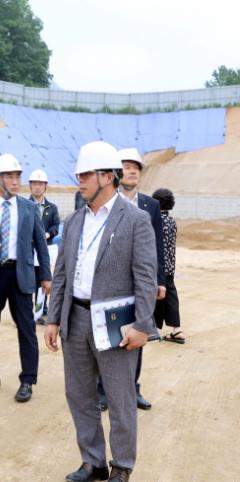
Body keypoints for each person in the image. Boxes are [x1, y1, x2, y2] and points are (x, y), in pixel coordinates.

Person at [45, 141, 158, 482]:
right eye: (78, 175)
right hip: (75, 318)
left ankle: (121, 467)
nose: (78, 180)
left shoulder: (135, 219)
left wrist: (142, 324)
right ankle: (92, 462)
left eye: (85, 175)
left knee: (120, 397)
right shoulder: (73, 221)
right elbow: (61, 274)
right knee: (79, 395)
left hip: (115, 324)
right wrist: (53, 318)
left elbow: (146, 277)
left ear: (107, 176)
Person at [0, 155, 51, 403]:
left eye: (18, 176)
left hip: (21, 275)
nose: (16, 181)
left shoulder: (29, 209)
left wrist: (46, 276)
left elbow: (41, 245)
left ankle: (28, 380)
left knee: (27, 329)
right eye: (10, 176)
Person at [97, 147, 165, 412]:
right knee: (106, 336)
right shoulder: (104, 202)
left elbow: (157, 246)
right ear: (116, 172)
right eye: (127, 167)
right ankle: (103, 390)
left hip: (139, 283)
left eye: (136, 167)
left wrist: (160, 280)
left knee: (137, 334)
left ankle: (132, 388)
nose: (132, 171)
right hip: (110, 281)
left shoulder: (150, 205)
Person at [152, 188, 185, 343]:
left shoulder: (155, 221)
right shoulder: (172, 221)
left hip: (158, 265)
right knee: (170, 296)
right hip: (170, 265)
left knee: (157, 294)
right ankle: (177, 329)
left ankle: (155, 329)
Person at [28, 168, 60, 324]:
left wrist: (48, 234)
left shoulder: (52, 208)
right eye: (34, 184)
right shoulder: (24, 206)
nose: (37, 187)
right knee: (27, 280)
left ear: (45, 186)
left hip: (45, 249)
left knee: (43, 279)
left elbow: (56, 226)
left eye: (40, 184)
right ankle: (26, 311)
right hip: (28, 250)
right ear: (30, 186)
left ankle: (41, 310)